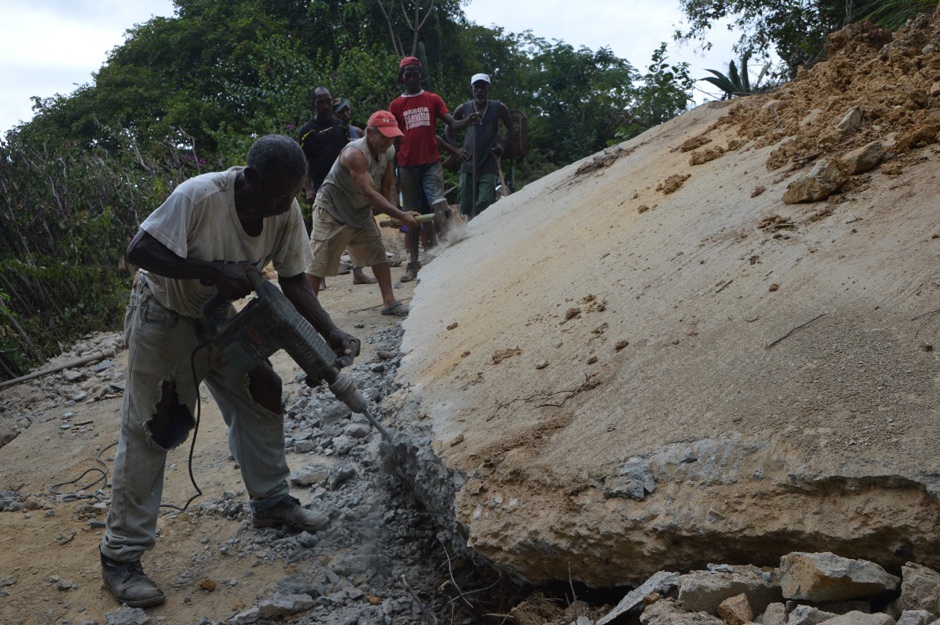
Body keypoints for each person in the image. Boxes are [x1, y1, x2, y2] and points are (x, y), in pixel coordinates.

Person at [99, 135, 360, 609]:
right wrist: (211, 271)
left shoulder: (284, 209)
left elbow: (295, 279)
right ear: (252, 178)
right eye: (279, 194)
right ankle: (121, 556)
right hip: (164, 316)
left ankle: (272, 502)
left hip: (219, 315)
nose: (286, 204)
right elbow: (138, 251)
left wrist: (332, 332)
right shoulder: (198, 196)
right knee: (155, 428)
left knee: (264, 387)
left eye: (293, 194)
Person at [307, 110, 419, 317]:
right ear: (369, 132)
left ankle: (389, 302)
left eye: (392, 136)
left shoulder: (389, 151)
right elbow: (369, 193)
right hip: (332, 210)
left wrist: (394, 213)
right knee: (318, 263)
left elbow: (388, 185)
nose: (388, 141)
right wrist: (403, 216)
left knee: (377, 252)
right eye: (384, 136)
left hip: (358, 209)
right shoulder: (354, 154)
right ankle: (308, 314)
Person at [389, 56, 478, 282]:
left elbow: (452, 124)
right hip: (406, 166)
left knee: (439, 205)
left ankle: (449, 252)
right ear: (402, 78)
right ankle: (414, 262)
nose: (411, 78)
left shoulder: (432, 99)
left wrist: (466, 121)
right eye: (407, 75)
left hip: (430, 163)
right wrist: (394, 173)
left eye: (414, 74)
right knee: (412, 215)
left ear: (420, 75)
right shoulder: (396, 105)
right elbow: (393, 142)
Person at [297, 87, 376, 288]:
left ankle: (358, 272)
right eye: (320, 102)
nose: (325, 106)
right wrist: (308, 188)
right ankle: (319, 277)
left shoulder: (340, 126)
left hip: (346, 187)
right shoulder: (307, 131)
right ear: (313, 104)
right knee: (321, 235)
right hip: (322, 190)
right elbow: (304, 161)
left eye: (328, 101)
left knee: (354, 228)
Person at [446, 73, 516, 219]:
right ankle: (471, 231)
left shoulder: (498, 107)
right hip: (468, 163)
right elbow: (449, 128)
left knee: (484, 201)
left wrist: (502, 145)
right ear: (471, 89)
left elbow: (512, 128)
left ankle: (481, 229)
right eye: (476, 87)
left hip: (488, 162)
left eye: (483, 87)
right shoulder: (464, 108)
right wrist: (457, 150)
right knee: (466, 204)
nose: (479, 90)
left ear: (488, 88)